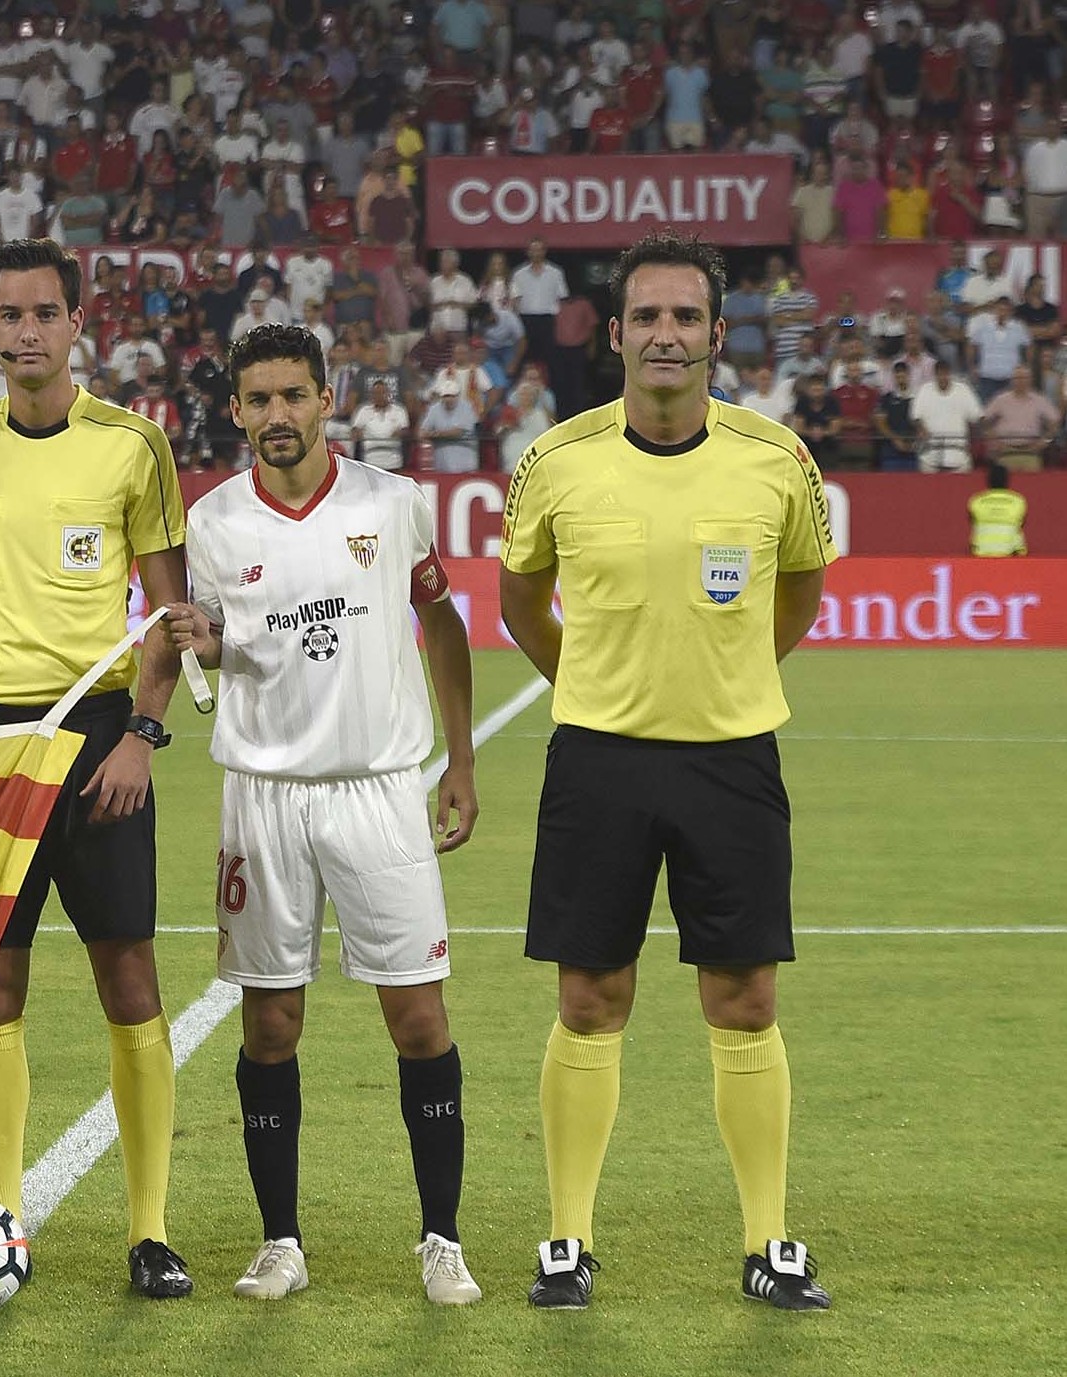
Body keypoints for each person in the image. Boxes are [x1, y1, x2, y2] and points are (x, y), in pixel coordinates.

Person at [498, 231, 838, 1313]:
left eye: (686, 318)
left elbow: (799, 595)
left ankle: (770, 1244)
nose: (666, 335)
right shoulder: (556, 461)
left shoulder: (777, 459)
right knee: (591, 997)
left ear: (718, 337)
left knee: (744, 998)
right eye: (647, 316)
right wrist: (591, 681)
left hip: (732, 759)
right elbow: (520, 603)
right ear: (615, 335)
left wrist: (725, 679)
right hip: (597, 759)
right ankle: (567, 1243)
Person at [161, 324, 481, 1306]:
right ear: (235, 411)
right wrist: (200, 648)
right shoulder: (211, 522)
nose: (276, 417)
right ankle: (280, 1241)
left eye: (293, 396)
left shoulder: (393, 505)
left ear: (328, 397)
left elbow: (442, 619)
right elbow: (212, 648)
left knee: (418, 1017)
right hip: (262, 797)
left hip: (380, 789)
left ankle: (441, 1239)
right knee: (271, 1025)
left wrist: (459, 760)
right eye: (257, 401)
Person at [0, 239, 193, 1298]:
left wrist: (143, 735)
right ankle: (3, 1224)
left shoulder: (133, 447)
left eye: (45, 313)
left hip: (101, 728)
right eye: (9, 314)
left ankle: (151, 1232)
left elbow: (169, 612)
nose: (26, 331)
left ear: (80, 323)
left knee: (130, 974)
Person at [968, 463, 1029, 556]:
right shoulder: (1018, 501)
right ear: (1007, 480)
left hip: (981, 552)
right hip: (1011, 552)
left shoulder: (976, 501)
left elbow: (973, 522)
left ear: (988, 480)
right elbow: (1021, 523)